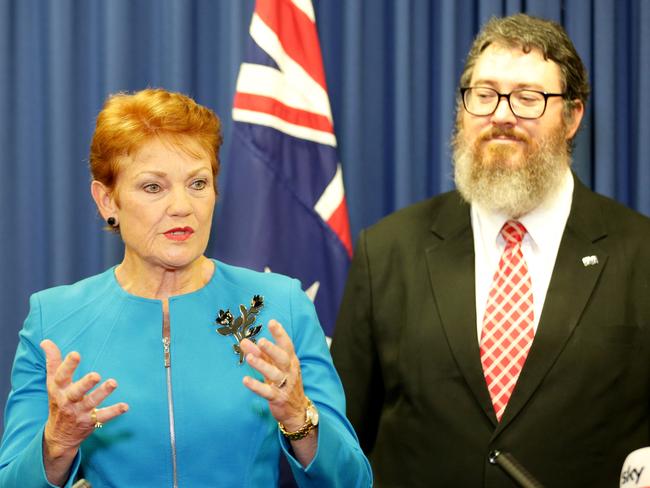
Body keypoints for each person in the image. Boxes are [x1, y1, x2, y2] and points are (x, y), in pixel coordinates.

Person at [331, 13, 650, 487]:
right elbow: (344, 435)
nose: (501, 115)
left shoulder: (640, 253)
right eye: (484, 95)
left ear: (572, 116)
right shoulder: (388, 250)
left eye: (527, 98)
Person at [0, 88, 372, 487]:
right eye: (153, 187)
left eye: (197, 183)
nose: (182, 206)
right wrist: (56, 443)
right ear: (107, 200)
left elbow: (352, 481)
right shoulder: (52, 319)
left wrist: (300, 418)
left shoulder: (282, 306)